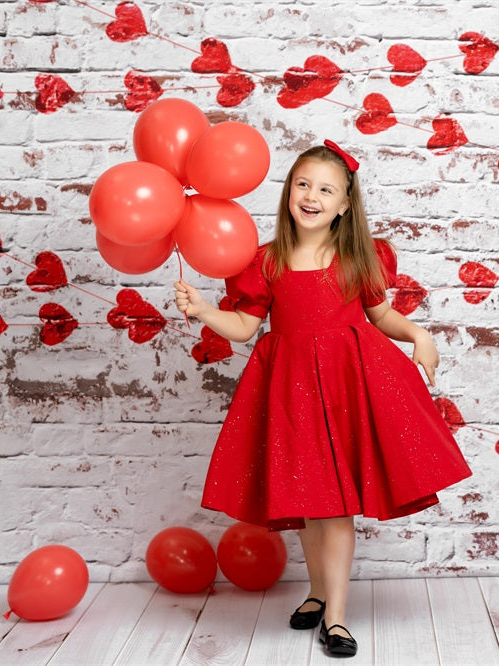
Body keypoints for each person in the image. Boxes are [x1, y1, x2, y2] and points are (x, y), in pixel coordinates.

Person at [174, 140, 472, 657]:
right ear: (290, 191)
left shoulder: (359, 256)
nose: (311, 196)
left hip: (346, 389)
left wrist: (419, 335)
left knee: (334, 510)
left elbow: (380, 315)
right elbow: (245, 327)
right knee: (310, 506)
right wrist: (203, 310)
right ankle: (316, 592)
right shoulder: (265, 261)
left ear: (344, 204)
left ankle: (334, 617)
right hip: (291, 394)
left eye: (325, 189)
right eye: (303, 184)